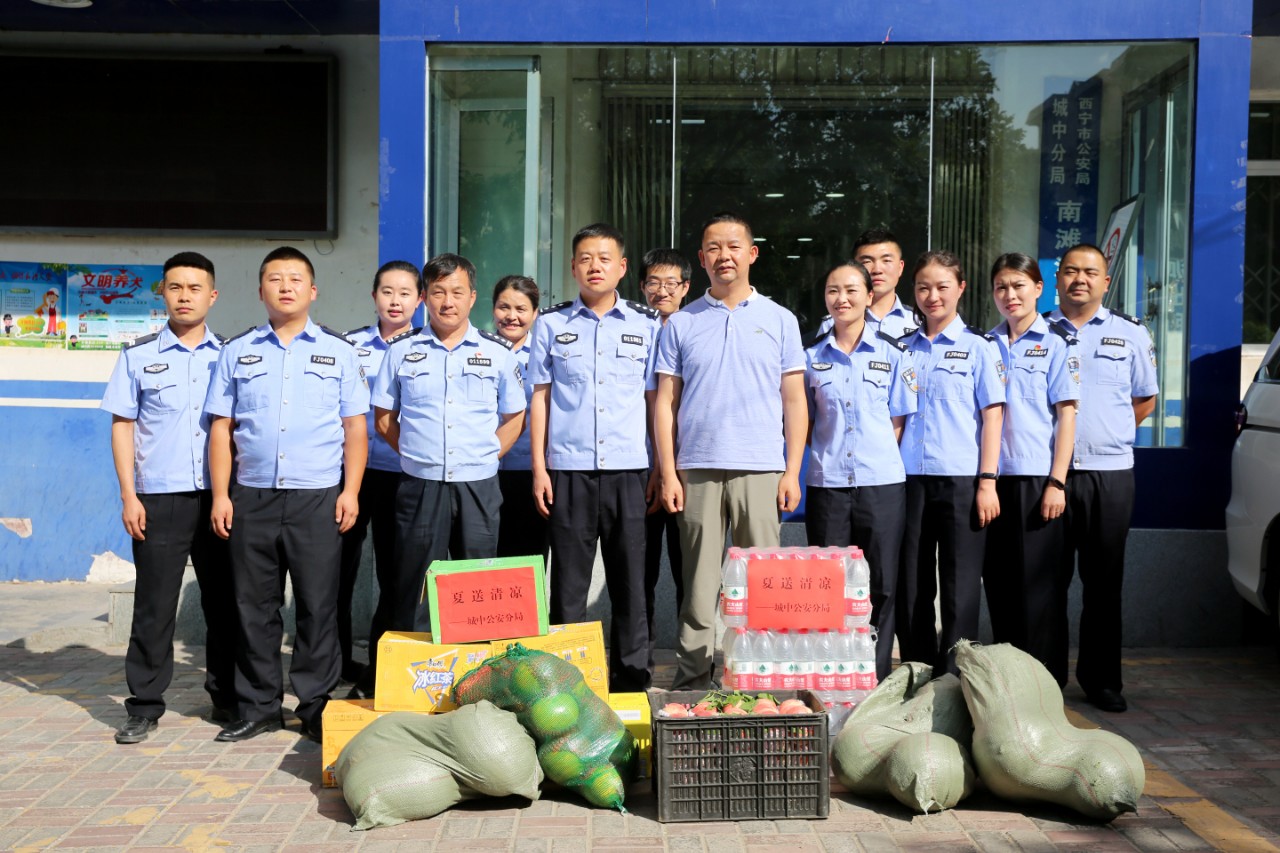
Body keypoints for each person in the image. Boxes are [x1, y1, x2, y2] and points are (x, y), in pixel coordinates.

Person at [205, 246, 369, 742]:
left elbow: (355, 429)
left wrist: (351, 491)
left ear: (312, 290)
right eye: (274, 279)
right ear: (260, 291)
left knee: (319, 606)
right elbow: (221, 428)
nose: (285, 287)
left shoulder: (340, 352)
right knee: (254, 606)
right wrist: (220, 495)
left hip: (318, 496)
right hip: (251, 495)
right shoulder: (237, 351)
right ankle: (258, 706)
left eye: (295, 279)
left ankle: (315, 705)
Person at [655, 212, 808, 691]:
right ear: (701, 259)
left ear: (752, 254)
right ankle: (693, 679)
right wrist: (668, 473)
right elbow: (665, 402)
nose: (724, 256)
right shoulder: (681, 323)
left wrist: (792, 472)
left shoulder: (780, 320)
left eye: (733, 246)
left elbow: (794, 399)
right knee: (699, 587)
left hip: (761, 468)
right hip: (696, 468)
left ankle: (759, 680)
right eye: (713, 248)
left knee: (762, 584)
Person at [101, 251, 236, 744]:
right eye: (175, 287)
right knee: (155, 605)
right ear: (162, 293)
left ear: (212, 296)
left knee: (226, 601)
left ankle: (227, 698)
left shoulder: (232, 355)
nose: (184, 296)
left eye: (194, 288)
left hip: (220, 498)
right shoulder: (138, 356)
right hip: (158, 497)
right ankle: (144, 705)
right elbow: (123, 426)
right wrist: (128, 495)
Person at [529, 224, 659, 692]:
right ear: (572, 267)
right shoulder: (550, 324)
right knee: (567, 587)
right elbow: (539, 398)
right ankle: (566, 682)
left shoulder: (647, 325)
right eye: (585, 258)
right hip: (568, 471)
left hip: (629, 470)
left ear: (622, 268)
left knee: (631, 583)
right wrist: (540, 467)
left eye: (604, 258)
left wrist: (661, 468)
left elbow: (654, 402)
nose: (595, 266)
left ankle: (632, 680)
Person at [371, 253, 525, 638]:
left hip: (479, 486)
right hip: (420, 486)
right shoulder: (401, 351)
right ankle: (417, 678)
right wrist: (413, 453)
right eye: (438, 292)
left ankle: (476, 674)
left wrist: (488, 456)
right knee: (415, 586)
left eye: (457, 292)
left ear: (472, 297)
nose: (447, 301)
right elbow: (384, 417)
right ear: (425, 297)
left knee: (478, 587)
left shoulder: (496, 353)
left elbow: (515, 418)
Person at [1047, 243, 1158, 713]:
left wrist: (1104, 435)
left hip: (1109, 476)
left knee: (1104, 582)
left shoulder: (1130, 334)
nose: (1080, 280)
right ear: (1056, 280)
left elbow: (1145, 400)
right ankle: (1045, 680)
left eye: (1090, 272)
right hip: (1048, 477)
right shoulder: (1036, 330)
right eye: (1071, 271)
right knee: (1045, 582)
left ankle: (1101, 680)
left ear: (1106, 282)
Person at [803, 260, 916, 681]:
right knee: (829, 588)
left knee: (882, 586)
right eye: (833, 290)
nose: (842, 298)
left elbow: (898, 421)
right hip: (828, 486)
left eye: (852, 290)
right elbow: (807, 422)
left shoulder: (893, 353)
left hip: (881, 486)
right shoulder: (810, 356)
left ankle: (878, 675)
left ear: (870, 297)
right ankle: (832, 675)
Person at [896, 249, 1005, 676]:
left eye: (942, 287)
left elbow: (992, 416)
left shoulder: (980, 347)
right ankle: (918, 669)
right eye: (923, 287)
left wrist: (987, 482)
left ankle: (958, 676)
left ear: (960, 288)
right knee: (913, 583)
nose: (932, 296)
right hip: (908, 481)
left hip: (962, 481)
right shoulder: (903, 348)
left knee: (960, 585)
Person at [983, 253, 1079, 685]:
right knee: (1000, 586)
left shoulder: (1057, 344)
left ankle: (1046, 686)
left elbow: (1067, 416)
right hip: (991, 482)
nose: (1010, 295)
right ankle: (1010, 685)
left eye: (1019, 285)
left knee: (1041, 590)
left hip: (1039, 480)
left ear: (1039, 289)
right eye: (1002, 286)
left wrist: (1057, 481)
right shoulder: (984, 344)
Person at [340, 260, 424, 697]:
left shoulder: (426, 347)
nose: (395, 300)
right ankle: (335, 661)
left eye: (405, 293)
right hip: (349, 475)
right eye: (387, 292)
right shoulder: (347, 345)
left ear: (419, 300)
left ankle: (381, 666)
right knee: (338, 571)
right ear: (374, 296)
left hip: (401, 474)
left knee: (398, 576)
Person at [639, 247, 691, 669]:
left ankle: (695, 658)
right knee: (641, 569)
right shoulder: (633, 331)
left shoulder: (698, 331)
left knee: (689, 566)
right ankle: (642, 658)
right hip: (637, 468)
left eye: (671, 283)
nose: (662, 290)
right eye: (654, 283)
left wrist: (668, 467)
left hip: (687, 469)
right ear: (641, 287)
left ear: (686, 288)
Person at [492, 274, 548, 560]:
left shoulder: (544, 353)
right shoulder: (479, 350)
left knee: (529, 559)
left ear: (535, 313)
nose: (511, 317)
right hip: (485, 473)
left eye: (521, 309)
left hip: (531, 472)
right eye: (504, 308)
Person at [807, 228, 918, 343]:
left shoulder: (920, 322)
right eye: (867, 262)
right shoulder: (833, 323)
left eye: (886, 260)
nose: (877, 270)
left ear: (900, 267)